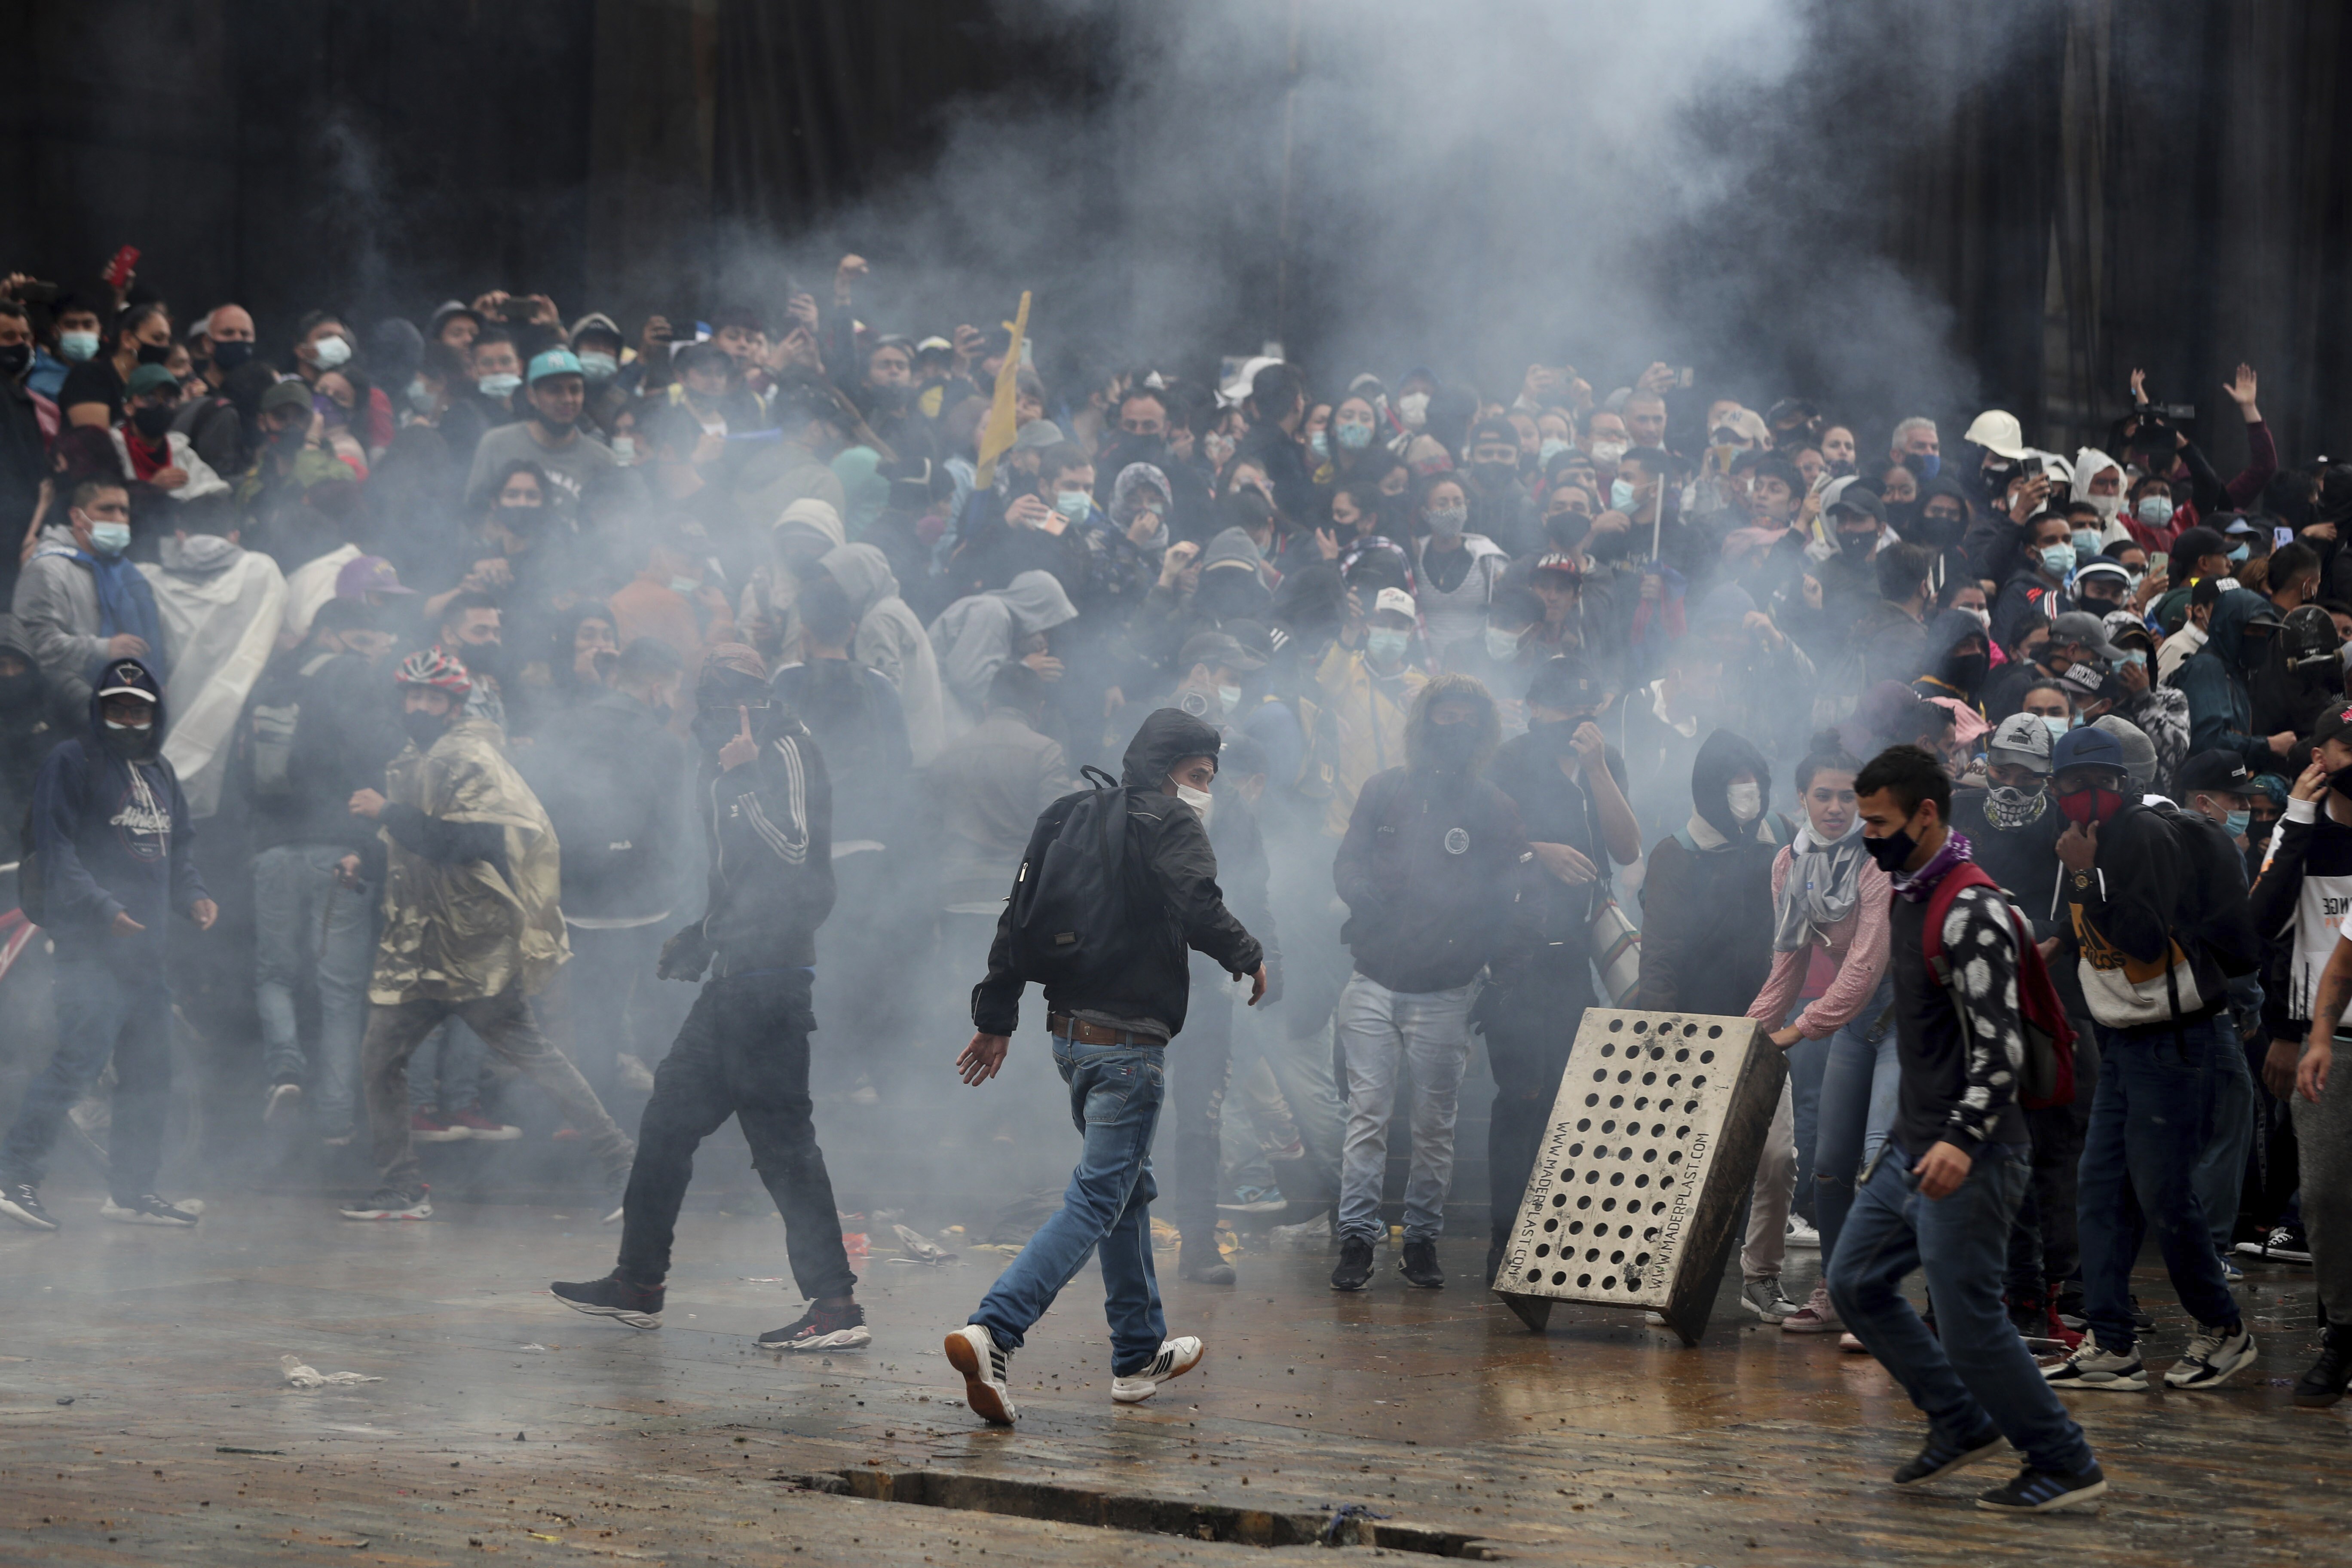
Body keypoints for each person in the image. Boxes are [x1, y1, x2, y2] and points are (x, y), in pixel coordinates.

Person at [948, 707, 1267, 1425]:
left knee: (1126, 1189)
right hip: (1127, 1048)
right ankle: (995, 1329)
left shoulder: (1065, 814)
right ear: (1164, 770)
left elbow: (1015, 915)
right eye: (1196, 776)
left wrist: (996, 1018)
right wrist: (1248, 953)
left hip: (1070, 1039)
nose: (1201, 792)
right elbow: (1196, 901)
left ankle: (1136, 1353)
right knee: (1098, 1196)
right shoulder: (1171, 822)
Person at [552, 645, 871, 1352]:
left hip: (772, 980)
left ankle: (835, 1304)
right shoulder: (725, 753)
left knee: (784, 1144)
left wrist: (742, 780)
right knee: (667, 1119)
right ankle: (638, 1282)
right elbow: (741, 876)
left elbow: (793, 853)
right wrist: (704, 932)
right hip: (734, 975)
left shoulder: (782, 748)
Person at [1827, 744, 2106, 1515]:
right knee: (1853, 1282)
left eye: (1878, 823)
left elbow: (2001, 1045)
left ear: (1925, 814)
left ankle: (2063, 1458)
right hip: (1914, 1145)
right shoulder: (1907, 889)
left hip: (1972, 1149)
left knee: (1970, 1319)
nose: (1868, 837)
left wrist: (1959, 1137)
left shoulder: (1971, 907)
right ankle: (1958, 1416)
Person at [338, 649, 636, 1221]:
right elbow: (411, 851)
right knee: (379, 1056)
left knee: (537, 1057)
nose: (419, 706)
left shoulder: (473, 757)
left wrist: (387, 813)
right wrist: (365, 863)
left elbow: (471, 844)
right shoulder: (409, 761)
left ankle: (625, 1165)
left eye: (431, 697)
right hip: (419, 948)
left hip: (475, 946)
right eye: (412, 695)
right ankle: (403, 1186)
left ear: (453, 704)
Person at [2038, 726, 2257, 1393]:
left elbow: (2137, 938)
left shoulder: (2139, 837)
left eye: (2100, 781)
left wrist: (2081, 874)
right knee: (2102, 1193)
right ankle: (2111, 1344)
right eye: (2072, 784)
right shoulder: (2083, 843)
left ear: (2122, 783)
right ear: (2056, 789)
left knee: (2165, 1196)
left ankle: (2224, 1329)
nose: (2086, 795)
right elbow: (2079, 933)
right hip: (2125, 1038)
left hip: (2175, 1039)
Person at [0, 658, 218, 1231]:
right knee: (77, 1065)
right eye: (116, 707)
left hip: (146, 958)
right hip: (89, 950)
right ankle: (14, 1176)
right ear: (99, 710)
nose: (127, 718)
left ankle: (131, 1192)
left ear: (154, 714)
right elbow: (55, 849)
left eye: (137, 709)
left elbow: (181, 849)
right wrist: (103, 907)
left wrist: (194, 894)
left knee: (150, 1074)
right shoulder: (71, 760)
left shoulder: (162, 771)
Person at [1329, 676, 1532, 1292]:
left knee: (1435, 1125)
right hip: (1371, 981)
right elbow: (1346, 862)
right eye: (1443, 718)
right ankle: (1356, 1240)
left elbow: (1511, 901)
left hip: (1446, 990)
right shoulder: (1384, 789)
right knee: (1367, 1114)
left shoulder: (1494, 808)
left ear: (1484, 733)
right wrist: (1358, 893)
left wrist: (1497, 975)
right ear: (1422, 724)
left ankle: (1422, 1240)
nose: (1453, 730)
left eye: (1467, 721)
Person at [1477, 653, 1640, 1283]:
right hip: (1513, 957)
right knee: (1521, 1096)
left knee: (1568, 1101)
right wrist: (1534, 851)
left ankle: (1551, 1239)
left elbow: (1627, 847)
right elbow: (1473, 852)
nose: (1576, 725)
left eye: (1587, 713)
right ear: (1534, 709)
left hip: (1576, 956)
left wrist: (1597, 768)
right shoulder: (1509, 763)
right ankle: (1504, 1240)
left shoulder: (1604, 762)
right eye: (1564, 713)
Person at [1633, 726, 1794, 1315]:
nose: (1746, 799)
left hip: (1767, 1028)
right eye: (1733, 788)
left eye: (1754, 786)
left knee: (1778, 1159)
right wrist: (1660, 1038)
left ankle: (1762, 1278)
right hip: (1695, 1035)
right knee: (1681, 1164)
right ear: (1707, 792)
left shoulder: (1782, 837)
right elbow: (1661, 956)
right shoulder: (1676, 854)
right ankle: (1663, 1279)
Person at [1743, 732, 1894, 1335]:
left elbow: (1864, 966)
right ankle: (1839, 1292)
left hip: (1912, 1017)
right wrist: (1748, 1037)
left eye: (1848, 797)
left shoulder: (1881, 857)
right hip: (1856, 1023)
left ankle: (1877, 1301)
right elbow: (1789, 964)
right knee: (1830, 1166)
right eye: (1824, 796)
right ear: (1801, 798)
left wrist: (1795, 1032)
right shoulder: (1789, 864)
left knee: (1879, 1158)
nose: (1837, 808)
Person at [245, 599, 403, 1139]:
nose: (378, 648)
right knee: (339, 993)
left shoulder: (271, 679)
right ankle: (337, 1120)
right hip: (341, 851)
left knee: (275, 974)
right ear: (339, 635)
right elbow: (380, 749)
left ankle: (285, 1070)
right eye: (370, 637)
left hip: (273, 851)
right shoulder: (351, 674)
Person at [136, 510, 288, 818]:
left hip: (160, 711)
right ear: (234, 536)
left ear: (180, 535)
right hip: (235, 718)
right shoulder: (260, 571)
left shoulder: (143, 577)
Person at [11, 477, 159, 710]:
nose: (119, 519)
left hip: (126, 700)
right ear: (77, 517)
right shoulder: (46, 569)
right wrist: (103, 649)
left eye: (124, 511)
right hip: (66, 706)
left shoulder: (125, 570)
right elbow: (35, 645)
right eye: (107, 509)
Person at [464, 348, 621, 509]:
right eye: (555, 390)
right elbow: (475, 517)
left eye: (575, 390)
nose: (567, 399)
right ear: (532, 396)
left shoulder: (604, 460)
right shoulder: (497, 444)